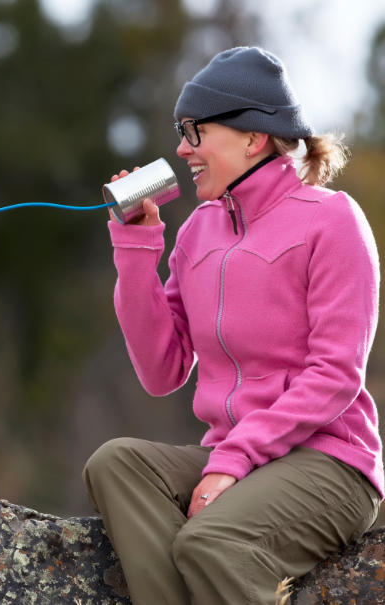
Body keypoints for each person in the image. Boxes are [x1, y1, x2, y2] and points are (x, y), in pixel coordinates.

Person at [82, 47, 382, 604]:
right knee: (116, 463)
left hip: (329, 463)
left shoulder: (332, 220)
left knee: (211, 543)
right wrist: (136, 246)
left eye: (195, 131)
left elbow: (337, 374)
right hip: (234, 454)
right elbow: (161, 369)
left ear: (253, 137)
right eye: (180, 132)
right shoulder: (198, 231)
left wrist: (234, 460)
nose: (180, 148)